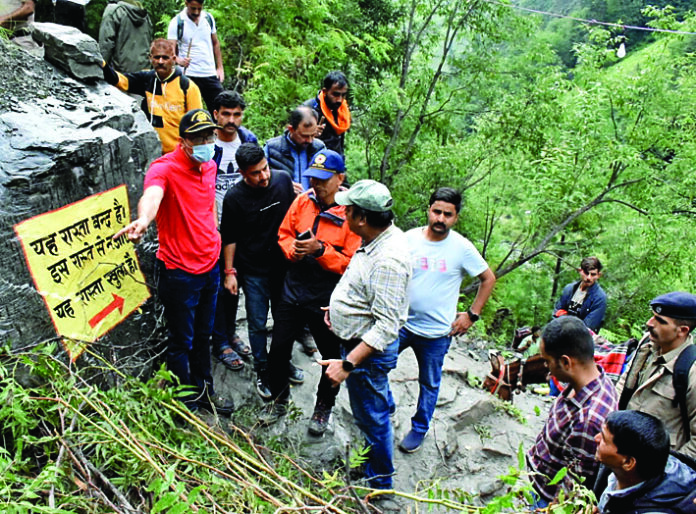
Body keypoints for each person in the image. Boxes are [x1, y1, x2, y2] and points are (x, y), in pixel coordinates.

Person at [115, 109, 234, 415]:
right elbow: (153, 194)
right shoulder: (164, 168)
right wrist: (143, 220)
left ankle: (204, 392)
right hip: (181, 273)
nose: (206, 142)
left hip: (211, 266)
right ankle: (186, 404)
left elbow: (207, 207)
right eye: (198, 138)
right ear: (183, 141)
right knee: (182, 339)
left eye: (209, 135)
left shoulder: (208, 165)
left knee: (204, 336)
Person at [260, 150, 362, 435]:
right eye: (313, 179)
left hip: (328, 298)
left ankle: (323, 407)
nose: (317, 184)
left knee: (330, 357)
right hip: (293, 288)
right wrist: (292, 249)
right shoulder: (303, 200)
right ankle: (279, 400)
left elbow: (352, 262)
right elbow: (284, 233)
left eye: (323, 179)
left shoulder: (351, 212)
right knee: (278, 349)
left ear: (340, 178)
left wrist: (320, 251)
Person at [321, 179, 411, 489]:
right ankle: (381, 432)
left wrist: (347, 365)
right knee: (377, 404)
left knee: (371, 417)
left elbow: (386, 326)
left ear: (361, 218)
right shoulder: (375, 239)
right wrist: (341, 309)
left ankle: (380, 481)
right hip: (358, 340)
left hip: (366, 354)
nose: (343, 213)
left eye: (348, 210)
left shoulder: (388, 260)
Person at [391, 187, 496, 453]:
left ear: (455, 217)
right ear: (429, 210)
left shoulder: (461, 247)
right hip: (402, 323)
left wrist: (472, 315)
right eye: (436, 211)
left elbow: (488, 278)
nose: (440, 218)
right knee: (379, 364)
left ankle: (419, 428)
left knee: (429, 382)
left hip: (437, 333)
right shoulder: (409, 238)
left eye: (447, 214)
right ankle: (384, 407)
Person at [219, 143, 296, 399]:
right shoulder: (234, 198)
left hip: (284, 266)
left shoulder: (283, 180)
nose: (263, 177)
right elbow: (229, 238)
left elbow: (297, 214)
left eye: (265, 169)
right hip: (253, 270)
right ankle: (263, 368)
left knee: (285, 321)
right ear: (242, 173)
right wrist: (230, 272)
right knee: (257, 322)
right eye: (255, 173)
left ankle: (281, 362)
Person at [527, 316, 618, 506]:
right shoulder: (590, 379)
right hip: (539, 478)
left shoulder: (588, 420)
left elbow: (573, 487)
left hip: (546, 498)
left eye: (547, 361)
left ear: (566, 362)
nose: (546, 369)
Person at [209, 90, 258, 372]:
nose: (231, 120)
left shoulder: (248, 140)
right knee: (217, 285)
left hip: (242, 226)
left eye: (236, 114)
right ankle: (220, 341)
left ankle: (230, 333)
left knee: (233, 284)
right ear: (216, 114)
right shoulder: (207, 142)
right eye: (226, 114)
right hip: (213, 227)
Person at [616, 291, 696, 458]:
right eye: (653, 316)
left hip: (657, 470)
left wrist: (666, 473)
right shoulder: (647, 344)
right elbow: (624, 385)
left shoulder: (691, 371)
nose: (649, 323)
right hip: (620, 452)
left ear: (682, 330)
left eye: (660, 321)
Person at [101, 38, 203, 154]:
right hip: (151, 153)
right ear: (150, 58)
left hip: (178, 156)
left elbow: (197, 126)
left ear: (174, 59)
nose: (160, 61)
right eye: (156, 57)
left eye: (165, 57)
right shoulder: (146, 79)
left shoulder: (187, 86)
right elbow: (120, 81)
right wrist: (101, 63)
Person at [594, 410, 696, 513]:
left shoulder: (655, 510)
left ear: (628, 462)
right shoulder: (621, 465)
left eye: (604, 440)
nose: (596, 438)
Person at [167, 0, 224, 111]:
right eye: (193, 8)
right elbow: (170, 52)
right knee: (190, 114)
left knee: (220, 110)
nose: (197, 12)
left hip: (209, 73)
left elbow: (215, 43)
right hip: (189, 75)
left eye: (199, 8)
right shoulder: (177, 22)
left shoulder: (208, 18)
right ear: (186, 3)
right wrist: (179, 61)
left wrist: (220, 67)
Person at [264, 106, 325, 194]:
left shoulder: (319, 148)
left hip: (313, 204)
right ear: (291, 129)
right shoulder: (271, 148)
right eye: (304, 136)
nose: (310, 140)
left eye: (313, 135)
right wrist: (282, 184)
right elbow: (260, 177)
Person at [554, 256, 607, 332]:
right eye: (586, 273)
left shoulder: (600, 298)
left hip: (582, 340)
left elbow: (587, 327)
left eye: (593, 274)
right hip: (560, 334)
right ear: (580, 271)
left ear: (599, 275)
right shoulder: (569, 289)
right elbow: (556, 314)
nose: (589, 278)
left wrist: (564, 317)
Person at [303, 71, 350, 156]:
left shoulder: (342, 110)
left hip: (334, 161)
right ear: (324, 91)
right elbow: (292, 140)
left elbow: (340, 143)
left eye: (343, 95)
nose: (340, 100)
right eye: (335, 94)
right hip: (313, 162)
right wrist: (309, 135)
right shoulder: (308, 109)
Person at [99, 0, 153, 73]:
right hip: (145, 71)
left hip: (120, 73)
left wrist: (100, 69)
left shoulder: (113, 10)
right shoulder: (144, 14)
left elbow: (106, 45)